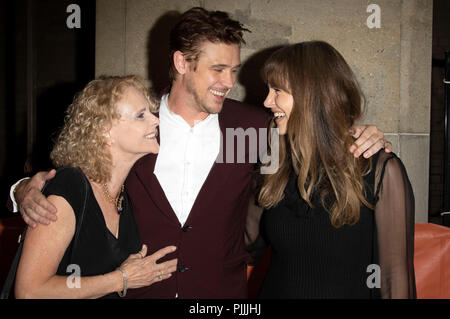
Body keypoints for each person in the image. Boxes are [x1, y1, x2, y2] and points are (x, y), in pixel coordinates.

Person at [9, 8, 390, 298]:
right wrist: (24, 188)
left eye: (234, 70)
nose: (230, 83)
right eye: (218, 69)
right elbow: (75, 171)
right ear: (181, 63)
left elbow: (316, 142)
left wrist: (360, 135)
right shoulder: (138, 128)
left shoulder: (257, 128)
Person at [250, 41, 416, 298]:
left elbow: (393, 279)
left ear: (310, 95)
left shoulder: (379, 169)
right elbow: (246, 245)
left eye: (277, 90)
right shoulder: (275, 163)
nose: (267, 100)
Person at [14, 76, 178, 299]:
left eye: (150, 112)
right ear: (104, 131)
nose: (156, 120)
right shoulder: (71, 186)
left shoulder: (123, 192)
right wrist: (121, 279)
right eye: (141, 115)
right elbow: (30, 292)